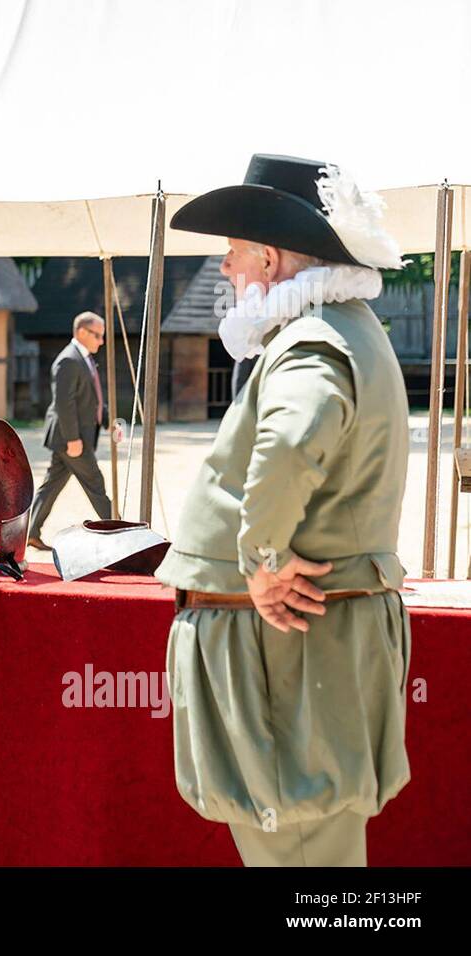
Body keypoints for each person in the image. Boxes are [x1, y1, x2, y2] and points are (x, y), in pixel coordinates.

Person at [156, 153, 411, 866]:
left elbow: (296, 435)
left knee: (299, 857)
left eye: (234, 255)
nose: (228, 271)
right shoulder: (340, 330)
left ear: (268, 259)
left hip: (289, 652)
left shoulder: (312, 340)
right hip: (296, 650)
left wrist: (261, 559)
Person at [27, 311, 112, 550]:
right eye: (97, 335)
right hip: (69, 438)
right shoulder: (68, 360)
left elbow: (92, 397)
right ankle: (120, 533)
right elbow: (64, 403)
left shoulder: (84, 358)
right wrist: (73, 439)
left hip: (74, 437)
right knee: (95, 483)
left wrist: (107, 421)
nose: (101, 341)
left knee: (51, 485)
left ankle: (29, 532)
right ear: (82, 332)